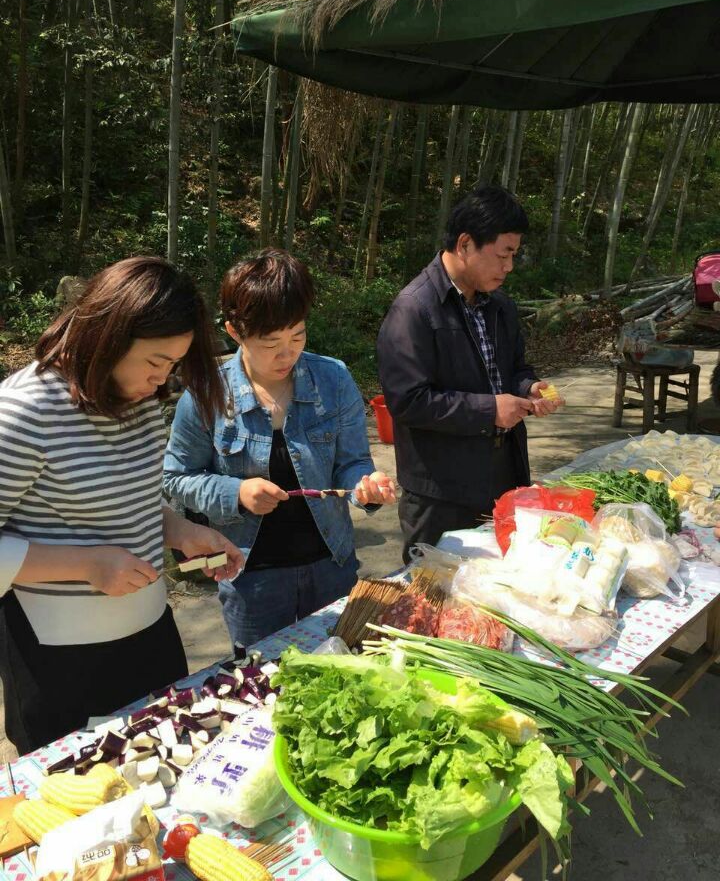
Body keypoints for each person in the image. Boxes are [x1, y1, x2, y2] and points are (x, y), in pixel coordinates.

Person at [0, 256, 244, 754]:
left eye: (173, 365)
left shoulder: (138, 398)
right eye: (155, 363)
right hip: (59, 657)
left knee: (172, 760)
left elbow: (131, 496)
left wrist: (179, 531)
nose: (162, 379)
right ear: (108, 337)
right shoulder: (24, 411)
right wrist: (87, 566)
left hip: (150, 633)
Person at [163, 249, 395, 647]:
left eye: (298, 336)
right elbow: (177, 477)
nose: (288, 354)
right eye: (271, 342)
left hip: (331, 566)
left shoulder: (332, 379)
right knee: (261, 676)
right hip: (250, 578)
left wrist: (366, 485)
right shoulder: (207, 394)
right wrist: (236, 492)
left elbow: (353, 462)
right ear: (235, 331)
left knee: (344, 662)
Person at [376, 185, 562, 562]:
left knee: (502, 581)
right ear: (465, 244)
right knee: (437, 589)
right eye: (503, 254)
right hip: (441, 492)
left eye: (514, 255)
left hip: (502, 475)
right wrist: (490, 410)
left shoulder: (500, 306)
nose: (509, 266)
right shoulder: (414, 310)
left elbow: (513, 369)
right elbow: (408, 402)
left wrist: (530, 387)